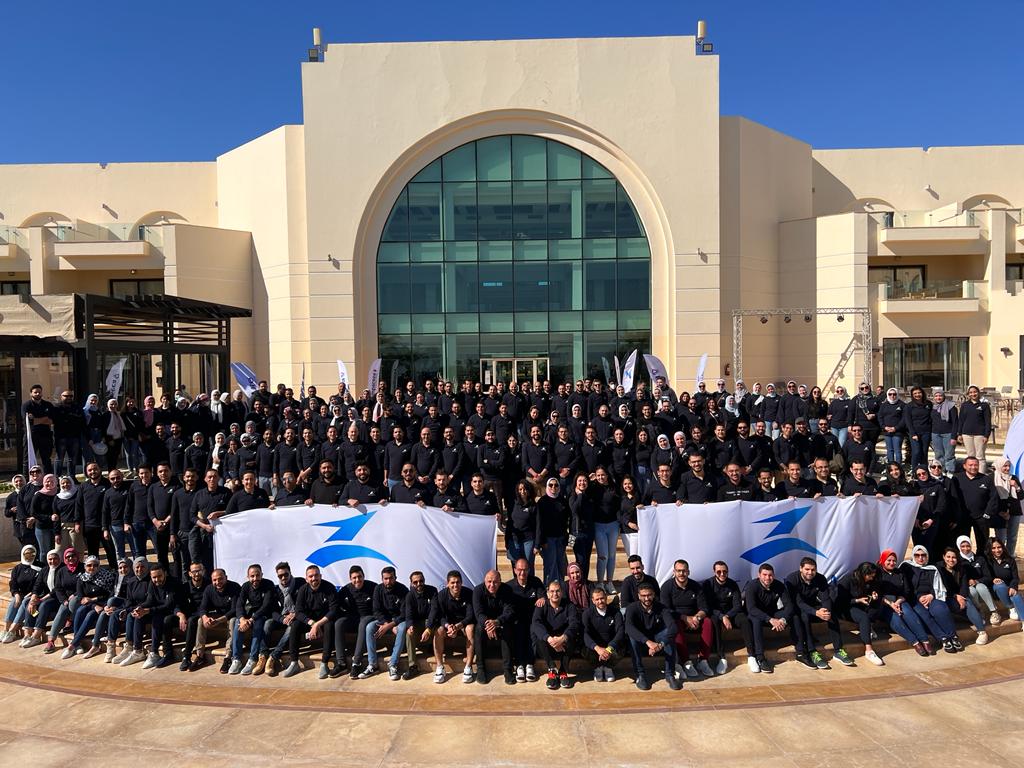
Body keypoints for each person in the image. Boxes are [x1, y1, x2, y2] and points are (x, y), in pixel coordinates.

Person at [786, 557, 854, 669]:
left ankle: (838, 650)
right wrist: (816, 612)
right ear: (801, 569)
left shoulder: (820, 578)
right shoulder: (792, 579)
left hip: (814, 607)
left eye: (813, 570)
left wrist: (825, 610)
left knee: (831, 615)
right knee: (804, 617)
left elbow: (825, 598)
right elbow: (798, 603)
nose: (810, 572)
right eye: (807, 569)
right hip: (799, 609)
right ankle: (812, 652)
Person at [899, 545, 961, 654]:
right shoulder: (907, 567)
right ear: (913, 556)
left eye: (923, 555)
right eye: (917, 555)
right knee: (924, 615)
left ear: (927, 556)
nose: (920, 558)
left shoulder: (933, 569)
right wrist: (919, 597)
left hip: (932, 596)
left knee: (941, 609)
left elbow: (939, 587)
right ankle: (943, 638)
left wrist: (931, 595)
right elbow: (906, 587)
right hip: (914, 599)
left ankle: (952, 636)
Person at [660, 559, 715, 678]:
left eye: (684, 571)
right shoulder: (666, 587)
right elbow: (666, 610)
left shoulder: (696, 586)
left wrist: (697, 618)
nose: (681, 574)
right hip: (677, 618)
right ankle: (686, 662)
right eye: (679, 571)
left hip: (694, 619)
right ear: (674, 572)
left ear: (688, 572)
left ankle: (703, 660)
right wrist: (684, 618)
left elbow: (704, 608)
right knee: (675, 624)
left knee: (708, 622)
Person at [876, 549, 935, 657]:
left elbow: (906, 591)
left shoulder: (899, 573)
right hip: (884, 603)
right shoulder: (877, 573)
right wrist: (891, 604)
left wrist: (898, 602)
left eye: (894, 560)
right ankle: (915, 642)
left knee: (909, 614)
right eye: (889, 560)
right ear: (883, 560)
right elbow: (876, 593)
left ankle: (925, 640)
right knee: (895, 619)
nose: (892, 563)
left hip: (900, 600)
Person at [284, 564, 338, 679]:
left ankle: (324, 663)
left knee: (329, 626)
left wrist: (317, 624)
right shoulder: (303, 590)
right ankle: (294, 662)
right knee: (295, 625)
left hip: (324, 621)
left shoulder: (329, 588)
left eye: (316, 575)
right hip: (310, 622)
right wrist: (312, 624)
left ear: (320, 576)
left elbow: (333, 611)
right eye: (311, 576)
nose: (314, 578)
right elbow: (298, 612)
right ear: (306, 579)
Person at [623, 582, 680, 690]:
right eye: (643, 595)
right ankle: (640, 674)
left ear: (653, 594)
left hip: (657, 639)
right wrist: (648, 642)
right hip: (641, 641)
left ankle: (669, 674)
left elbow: (673, 627)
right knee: (632, 638)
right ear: (638, 596)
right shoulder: (632, 608)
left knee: (669, 635)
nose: (646, 598)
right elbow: (629, 627)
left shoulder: (662, 608)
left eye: (649, 595)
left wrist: (660, 645)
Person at [361, 566, 410, 681]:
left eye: (391, 578)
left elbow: (405, 613)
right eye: (386, 579)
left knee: (402, 628)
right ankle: (372, 664)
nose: (388, 581)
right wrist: (387, 624)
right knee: (369, 627)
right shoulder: (378, 589)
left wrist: (391, 625)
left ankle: (393, 664)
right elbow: (376, 611)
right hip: (384, 620)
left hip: (399, 620)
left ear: (395, 578)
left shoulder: (403, 590)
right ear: (382, 579)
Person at [832, 562, 886, 666]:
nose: (871, 578)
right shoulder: (848, 580)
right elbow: (839, 601)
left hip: (861, 605)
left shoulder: (869, 580)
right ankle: (869, 650)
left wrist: (873, 594)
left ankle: (867, 628)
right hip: (845, 607)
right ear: (863, 574)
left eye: (873, 576)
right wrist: (857, 600)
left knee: (877, 604)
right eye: (870, 576)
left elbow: (872, 589)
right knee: (863, 617)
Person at [702, 560, 750, 675]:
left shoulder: (732, 584)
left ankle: (752, 654)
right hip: (716, 613)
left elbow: (737, 605)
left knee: (744, 620)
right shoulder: (708, 584)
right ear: (714, 572)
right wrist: (721, 616)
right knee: (714, 621)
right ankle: (721, 657)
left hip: (730, 613)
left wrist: (727, 616)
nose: (722, 574)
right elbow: (708, 606)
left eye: (725, 571)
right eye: (719, 572)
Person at [743, 563, 793, 674]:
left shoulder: (778, 585)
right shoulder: (752, 586)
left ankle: (801, 649)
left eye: (770, 575)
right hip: (754, 614)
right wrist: (770, 619)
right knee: (757, 620)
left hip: (771, 613)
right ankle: (760, 657)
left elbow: (789, 605)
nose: (767, 578)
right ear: (759, 575)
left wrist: (782, 620)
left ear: (773, 575)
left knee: (793, 615)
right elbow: (751, 608)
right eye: (764, 575)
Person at [230, 563, 278, 675]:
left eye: (257, 575)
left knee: (258, 622)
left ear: (262, 575)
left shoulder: (268, 584)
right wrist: (242, 619)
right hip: (251, 614)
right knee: (237, 622)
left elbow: (266, 606)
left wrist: (251, 619)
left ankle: (252, 659)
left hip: (265, 614)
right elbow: (239, 604)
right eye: (252, 576)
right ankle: (236, 659)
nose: (255, 578)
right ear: (248, 577)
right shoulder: (245, 586)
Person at [428, 569, 475, 684]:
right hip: (448, 625)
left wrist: (458, 626)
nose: (455, 585)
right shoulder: (441, 595)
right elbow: (440, 615)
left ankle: (468, 667)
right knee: (438, 631)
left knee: (470, 629)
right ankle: (440, 667)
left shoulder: (469, 593)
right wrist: (448, 626)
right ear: (447, 584)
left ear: (461, 582)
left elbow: (470, 616)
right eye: (452, 582)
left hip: (463, 624)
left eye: (458, 582)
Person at [531, 580, 579, 689]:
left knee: (572, 637)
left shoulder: (569, 605)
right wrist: (549, 639)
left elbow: (574, 623)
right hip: (547, 646)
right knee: (539, 637)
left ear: (562, 592)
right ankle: (552, 669)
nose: (555, 594)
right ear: (548, 593)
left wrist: (563, 638)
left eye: (557, 591)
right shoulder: (542, 605)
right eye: (552, 591)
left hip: (563, 645)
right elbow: (536, 623)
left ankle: (563, 671)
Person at [471, 569, 515, 685]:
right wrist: (488, 624)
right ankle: (480, 668)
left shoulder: (507, 590)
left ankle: (508, 669)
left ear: (500, 581)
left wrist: (497, 622)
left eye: (495, 582)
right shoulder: (478, 591)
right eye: (489, 581)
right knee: (478, 630)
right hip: (485, 623)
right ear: (484, 581)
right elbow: (478, 613)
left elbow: (509, 611)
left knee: (508, 629)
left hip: (500, 622)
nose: (492, 585)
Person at [937, 547, 988, 645]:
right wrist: (956, 596)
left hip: (960, 596)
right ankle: (974, 618)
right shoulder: (939, 569)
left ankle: (982, 632)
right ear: (943, 557)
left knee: (968, 603)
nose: (951, 560)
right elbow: (942, 587)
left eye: (954, 557)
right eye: (948, 557)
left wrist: (962, 597)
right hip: (946, 596)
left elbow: (964, 585)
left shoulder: (961, 568)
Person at [194, 567, 240, 672]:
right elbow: (202, 607)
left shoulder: (234, 587)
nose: (217, 582)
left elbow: (235, 609)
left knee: (233, 621)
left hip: (231, 616)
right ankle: (200, 655)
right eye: (214, 580)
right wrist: (205, 618)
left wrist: (219, 620)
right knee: (201, 621)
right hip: (218, 615)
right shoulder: (209, 589)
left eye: (220, 579)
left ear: (226, 578)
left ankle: (228, 657)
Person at [335, 565, 378, 678]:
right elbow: (337, 604)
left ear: (364, 576)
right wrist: (345, 613)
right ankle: (341, 663)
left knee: (363, 623)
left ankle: (356, 663)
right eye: (354, 578)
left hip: (369, 617)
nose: (357, 580)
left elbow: (379, 607)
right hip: (354, 618)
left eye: (359, 577)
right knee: (339, 623)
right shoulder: (346, 589)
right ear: (350, 579)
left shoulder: (373, 587)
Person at [506, 558, 543, 682]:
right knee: (519, 631)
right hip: (517, 620)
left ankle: (530, 664)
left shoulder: (536, 582)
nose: (522, 573)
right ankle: (520, 665)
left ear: (529, 570)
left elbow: (543, 596)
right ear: (515, 570)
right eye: (520, 570)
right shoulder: (509, 586)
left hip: (533, 619)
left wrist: (542, 599)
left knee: (533, 631)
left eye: (525, 570)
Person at [262, 561, 302, 676]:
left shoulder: (300, 583)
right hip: (283, 617)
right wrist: (282, 619)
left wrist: (295, 614)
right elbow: (272, 610)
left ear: (290, 573)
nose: (283, 577)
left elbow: (305, 604)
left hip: (297, 617)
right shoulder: (276, 589)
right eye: (280, 576)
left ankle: (273, 657)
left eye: (286, 574)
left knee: (291, 628)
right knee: (268, 623)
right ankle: (263, 655)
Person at [951, 456, 999, 546]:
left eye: (976, 465)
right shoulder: (956, 478)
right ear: (964, 466)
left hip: (981, 517)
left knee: (983, 543)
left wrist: (987, 514)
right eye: (970, 465)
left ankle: (981, 555)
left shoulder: (986, 479)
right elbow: (952, 497)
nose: (973, 467)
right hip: (963, 517)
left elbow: (993, 498)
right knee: (962, 543)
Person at [581, 585, 624, 682]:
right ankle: (598, 668)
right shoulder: (587, 614)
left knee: (621, 647)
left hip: (610, 646)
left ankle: (608, 667)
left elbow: (620, 632)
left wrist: (609, 649)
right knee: (585, 649)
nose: (600, 601)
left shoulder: (616, 612)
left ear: (606, 597)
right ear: (593, 601)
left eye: (602, 598)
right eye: (597, 599)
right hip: (596, 647)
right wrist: (597, 648)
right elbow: (585, 634)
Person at [400, 570, 437, 680]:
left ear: (424, 580)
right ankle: (413, 666)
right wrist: (410, 626)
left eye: (421, 581)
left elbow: (434, 611)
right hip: (417, 623)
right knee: (409, 634)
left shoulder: (432, 591)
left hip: (430, 622)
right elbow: (408, 614)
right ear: (411, 583)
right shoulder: (409, 595)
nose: (419, 584)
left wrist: (428, 629)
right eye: (415, 582)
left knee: (432, 624)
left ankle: (432, 648)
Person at [956, 536, 999, 625]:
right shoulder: (958, 561)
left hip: (982, 585)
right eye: (962, 546)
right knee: (972, 591)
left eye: (968, 546)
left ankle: (994, 611)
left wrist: (976, 581)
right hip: (967, 587)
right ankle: (979, 610)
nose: (966, 548)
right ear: (958, 546)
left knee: (980, 587)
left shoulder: (980, 559)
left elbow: (988, 576)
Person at [981, 537, 1024, 626]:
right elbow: (986, 576)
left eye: (999, 547)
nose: (997, 550)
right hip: (996, 590)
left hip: (1009, 588)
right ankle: (1011, 607)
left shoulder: (1010, 560)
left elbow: (1015, 578)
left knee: (1017, 597)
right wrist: (993, 579)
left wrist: (1013, 587)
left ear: (1003, 547)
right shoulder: (987, 561)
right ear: (989, 549)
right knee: (1000, 585)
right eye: (993, 548)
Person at [1, 545, 39, 644]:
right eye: (27, 553)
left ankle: (12, 630)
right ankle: (6, 629)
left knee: (25, 602)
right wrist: (16, 594)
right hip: (21, 594)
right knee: (15, 600)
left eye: (32, 554)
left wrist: (32, 593)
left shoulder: (39, 567)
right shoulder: (18, 568)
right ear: (23, 554)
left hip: (34, 595)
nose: (30, 556)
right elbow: (13, 583)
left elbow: (39, 584)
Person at [956, 385, 992, 474]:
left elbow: (988, 422)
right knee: (970, 456)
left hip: (980, 434)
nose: (973, 394)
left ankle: (981, 475)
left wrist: (986, 435)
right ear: (968, 394)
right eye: (971, 392)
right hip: (966, 434)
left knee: (980, 456)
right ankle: (971, 474)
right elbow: (961, 420)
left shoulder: (984, 405)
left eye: (975, 392)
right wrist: (959, 433)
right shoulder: (965, 405)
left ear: (978, 393)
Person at [993, 458, 1022, 557]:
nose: (1008, 468)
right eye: (1005, 466)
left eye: (1009, 466)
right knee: (1000, 538)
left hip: (1014, 511)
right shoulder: (992, 478)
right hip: (1000, 512)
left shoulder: (1013, 478)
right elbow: (991, 497)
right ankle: (999, 557)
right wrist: (1000, 512)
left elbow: (1021, 496)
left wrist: (1016, 486)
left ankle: (1010, 556)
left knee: (1012, 537)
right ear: (999, 466)